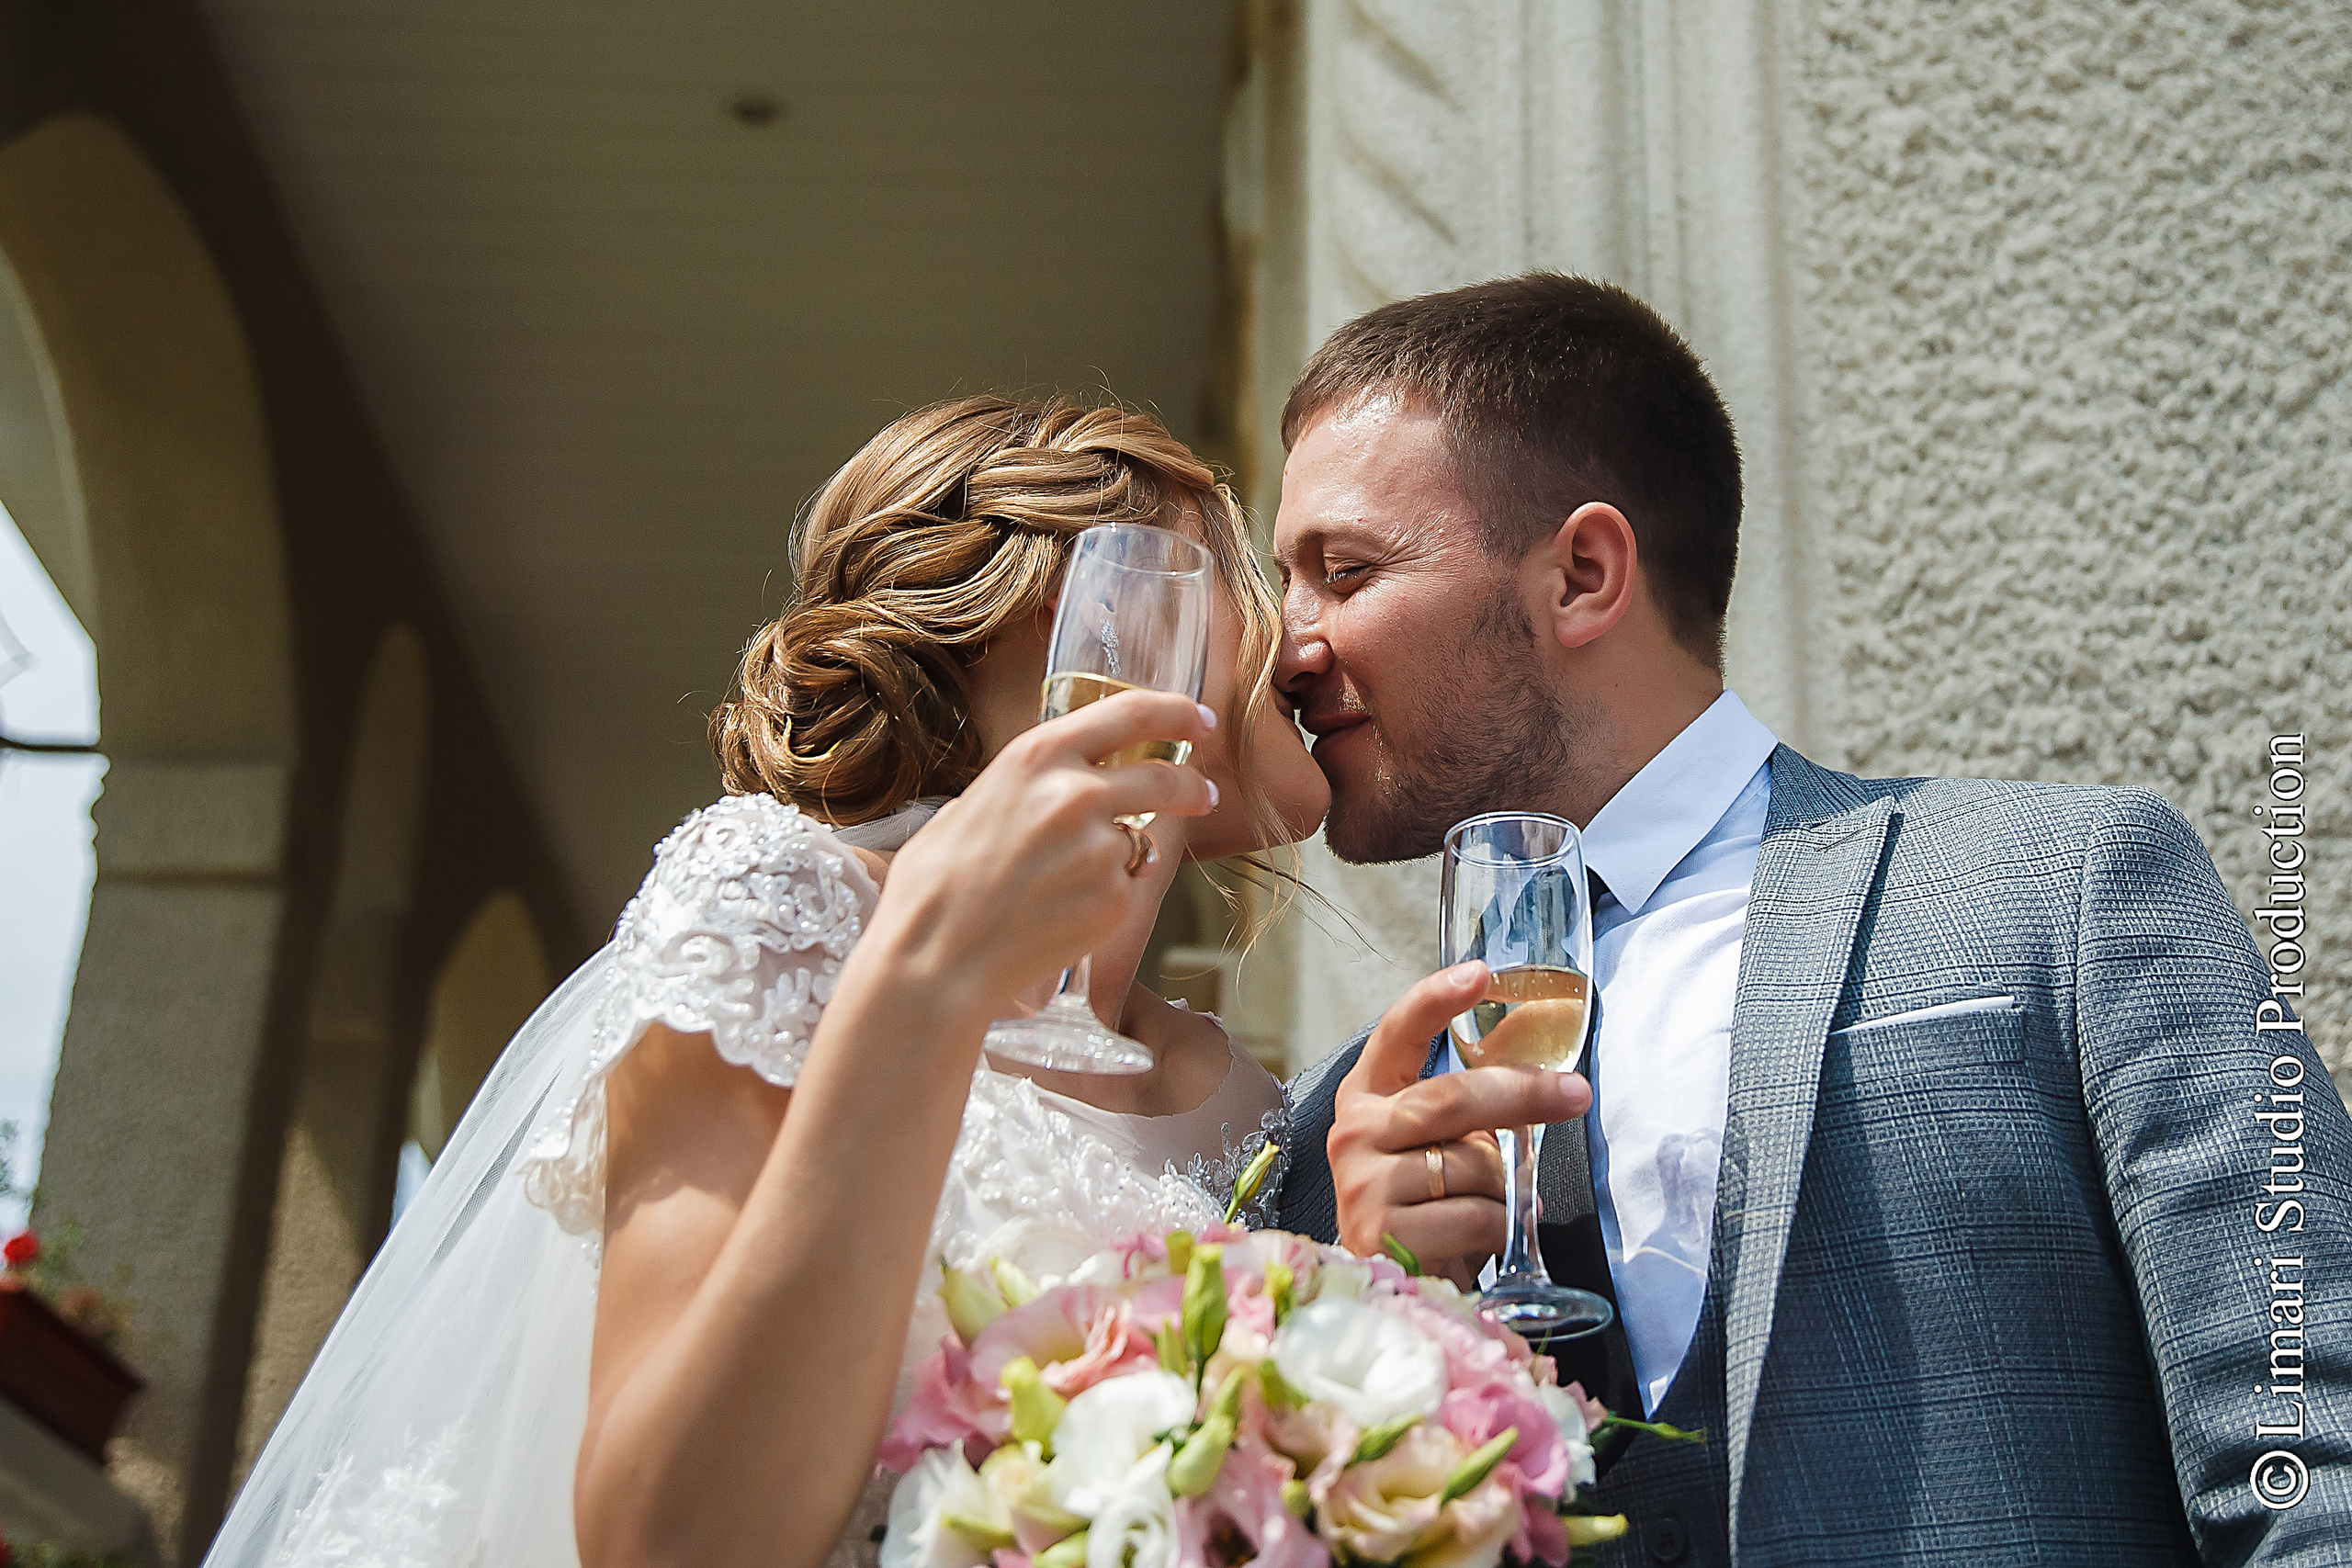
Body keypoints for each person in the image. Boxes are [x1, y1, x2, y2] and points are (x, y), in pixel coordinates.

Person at [1272, 274, 2349, 1563]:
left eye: (1342, 572)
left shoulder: (2062, 887)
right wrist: (1374, 1328)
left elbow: (2309, 1459)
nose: (1288, 648)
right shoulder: (1343, 1129)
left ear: (1582, 573)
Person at [209, 397, 1329, 1568]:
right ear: (1081, 623)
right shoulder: (785, 912)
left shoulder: (1242, 1101)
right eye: (1256, 581)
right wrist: (924, 993)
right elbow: (664, 1544)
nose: (1305, 644)